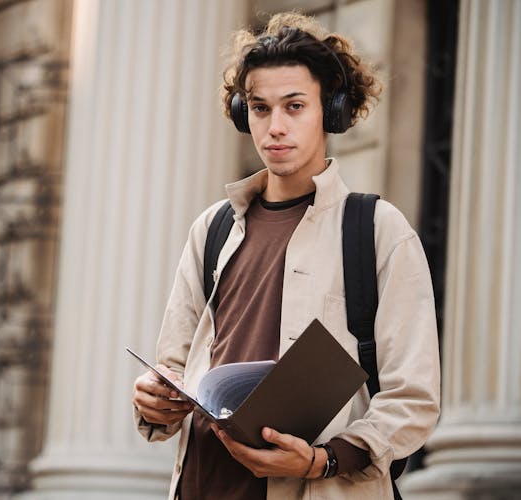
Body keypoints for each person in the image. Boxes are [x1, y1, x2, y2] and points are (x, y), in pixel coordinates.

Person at [131, 11, 441, 500]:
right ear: (243, 113)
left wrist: (322, 461)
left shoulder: (379, 231)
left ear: (332, 111)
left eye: (294, 106)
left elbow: (413, 399)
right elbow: (171, 368)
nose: (275, 126)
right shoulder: (209, 230)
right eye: (260, 108)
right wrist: (154, 398)